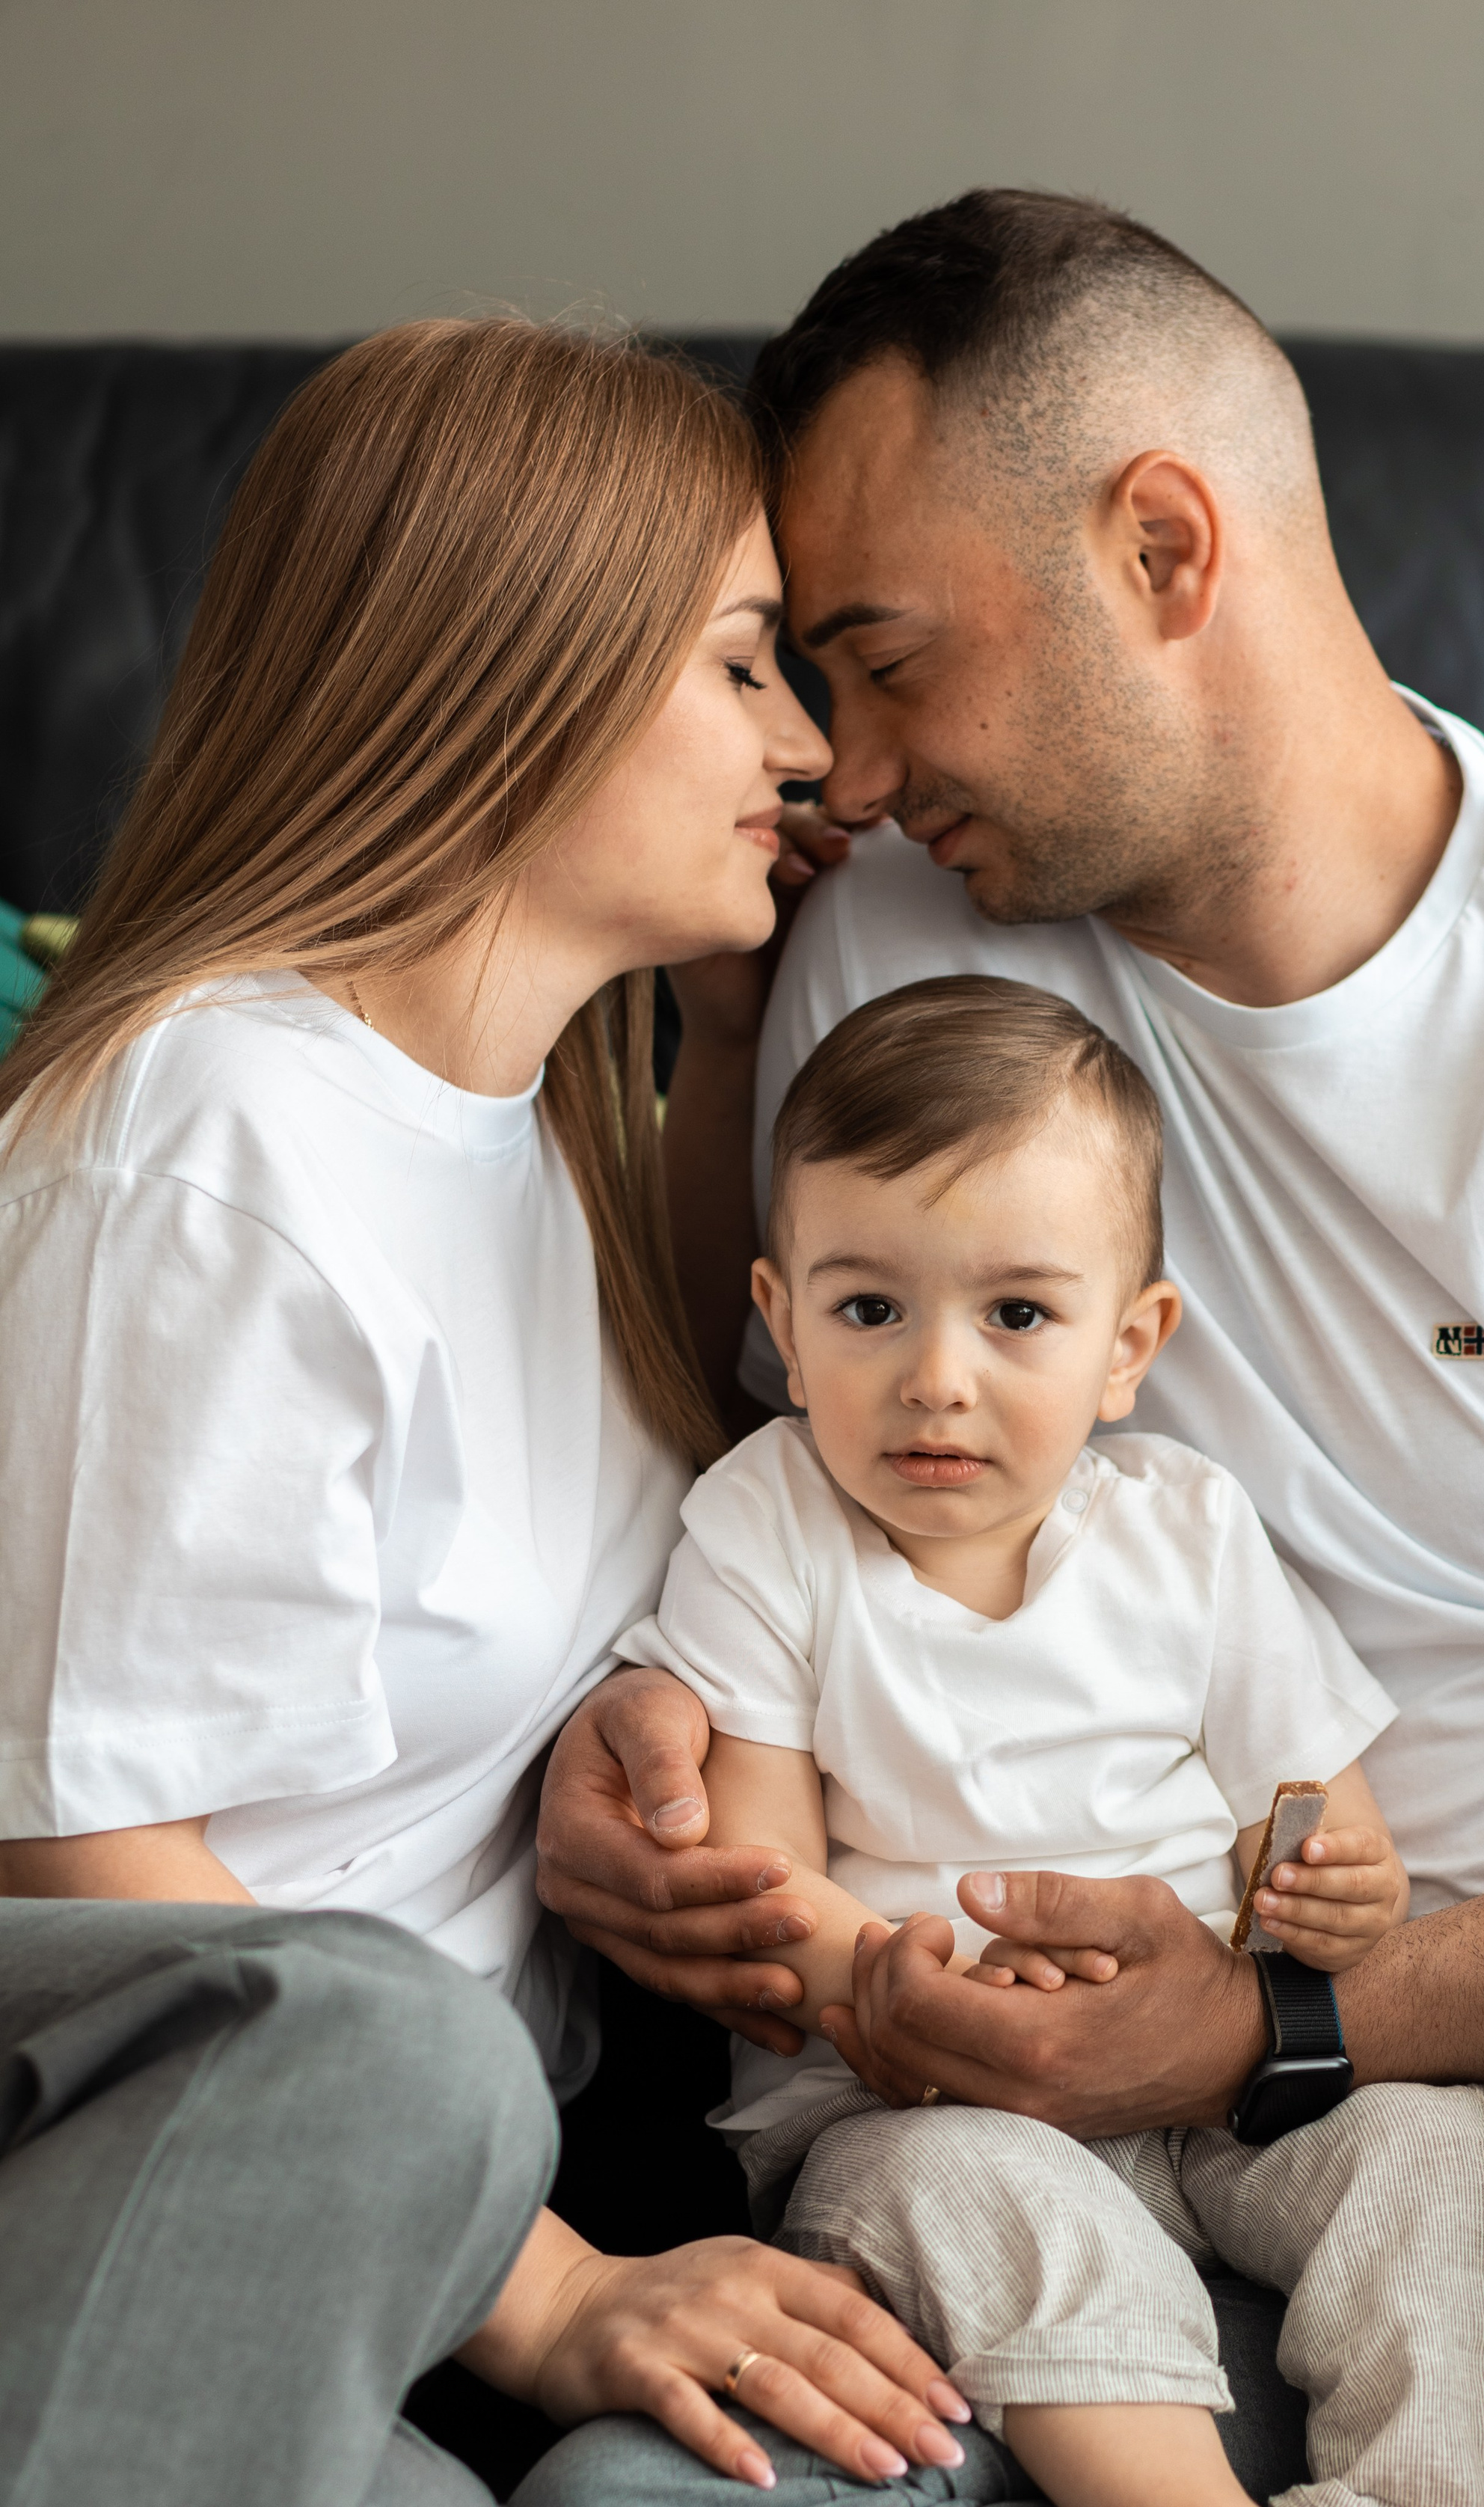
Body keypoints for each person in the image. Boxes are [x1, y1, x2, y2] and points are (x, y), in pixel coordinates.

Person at [534, 194, 1484, 2502]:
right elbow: (747, 1470)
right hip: (1022, 2156)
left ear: (1166, 548)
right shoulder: (880, 945)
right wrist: (631, 1732)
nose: (844, 775)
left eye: (884, 660)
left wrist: (1272, 2032)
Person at [0, 314, 974, 2506]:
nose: (812, 748)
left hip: (474, 2183)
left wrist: (727, 1042)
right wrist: (555, 2298)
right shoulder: (207, 1144)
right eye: (741, 664)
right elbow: (82, 1845)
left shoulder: (531, 1109)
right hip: (235, 2167)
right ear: (514, 667)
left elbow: (627, 1492)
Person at [632, 973, 1484, 2507]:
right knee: (978, 2200)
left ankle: (1419, 2487)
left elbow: (1304, 1803)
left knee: (1434, 2153)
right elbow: (759, 1872)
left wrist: (1332, 1884)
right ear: (779, 1320)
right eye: (868, 1308)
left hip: (1210, 2079)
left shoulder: (1179, 1524)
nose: (936, 1374)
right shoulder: (760, 1525)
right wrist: (908, 1983)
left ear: (1128, 1345)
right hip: (909, 2094)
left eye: (1016, 1314)